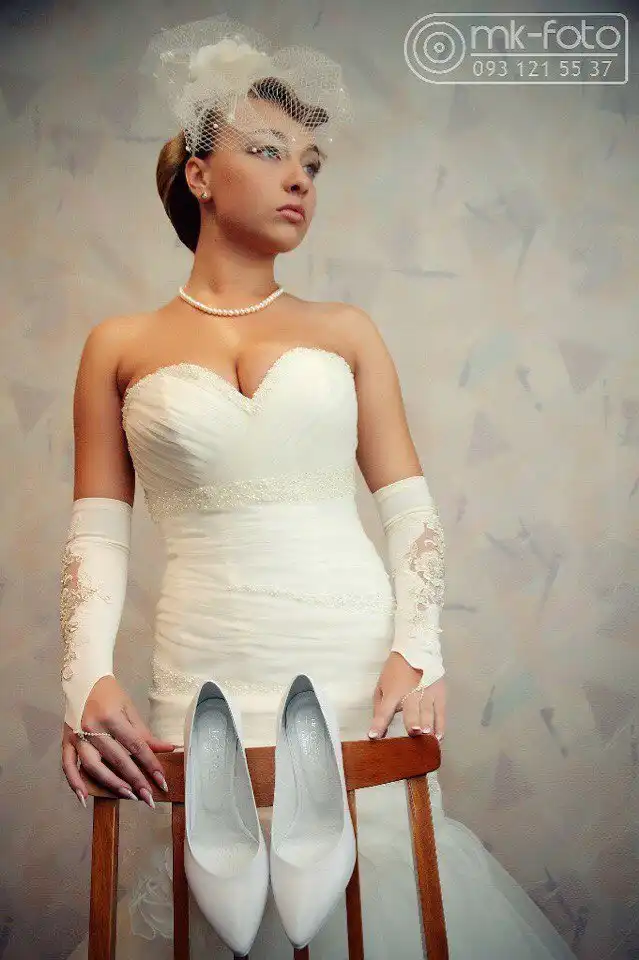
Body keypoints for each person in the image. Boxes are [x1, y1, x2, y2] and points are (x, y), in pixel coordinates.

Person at [61, 16, 578, 960]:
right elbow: (96, 535)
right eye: (268, 152)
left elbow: (408, 510)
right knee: (215, 889)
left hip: (350, 655)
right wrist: (83, 676)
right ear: (199, 175)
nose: (299, 177)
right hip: (205, 659)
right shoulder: (117, 345)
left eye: (310, 162)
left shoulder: (346, 330)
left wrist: (418, 647)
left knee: (380, 876)